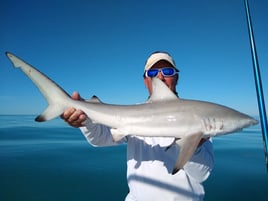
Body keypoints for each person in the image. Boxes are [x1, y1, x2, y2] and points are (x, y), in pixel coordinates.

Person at [61, 51, 214, 201]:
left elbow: (201, 175)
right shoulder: (130, 114)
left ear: (176, 77)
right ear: (145, 80)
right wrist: (85, 121)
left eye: (167, 71)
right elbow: (100, 139)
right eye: (153, 72)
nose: (160, 76)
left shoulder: (198, 116)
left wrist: (194, 147)